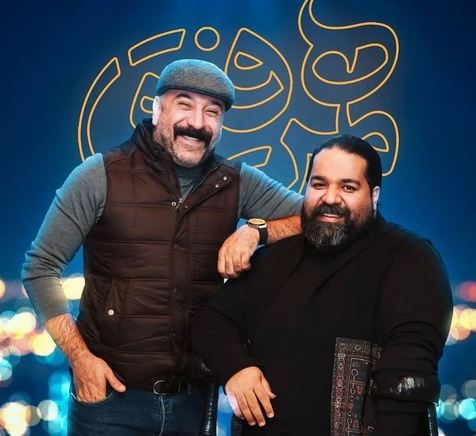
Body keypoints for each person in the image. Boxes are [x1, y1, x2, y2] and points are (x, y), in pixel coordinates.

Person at [21, 59, 303, 435]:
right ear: (156, 109)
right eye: (184, 104)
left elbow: (315, 219)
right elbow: (40, 267)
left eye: (212, 112)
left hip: (193, 403)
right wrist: (80, 360)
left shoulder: (237, 182)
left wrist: (256, 231)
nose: (197, 123)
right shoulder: (99, 175)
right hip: (108, 404)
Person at [192, 135, 453, 435]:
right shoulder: (275, 258)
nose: (330, 198)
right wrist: (236, 367)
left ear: (374, 195)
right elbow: (211, 321)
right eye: (319, 184)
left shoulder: (411, 259)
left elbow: (408, 380)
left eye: (348, 187)